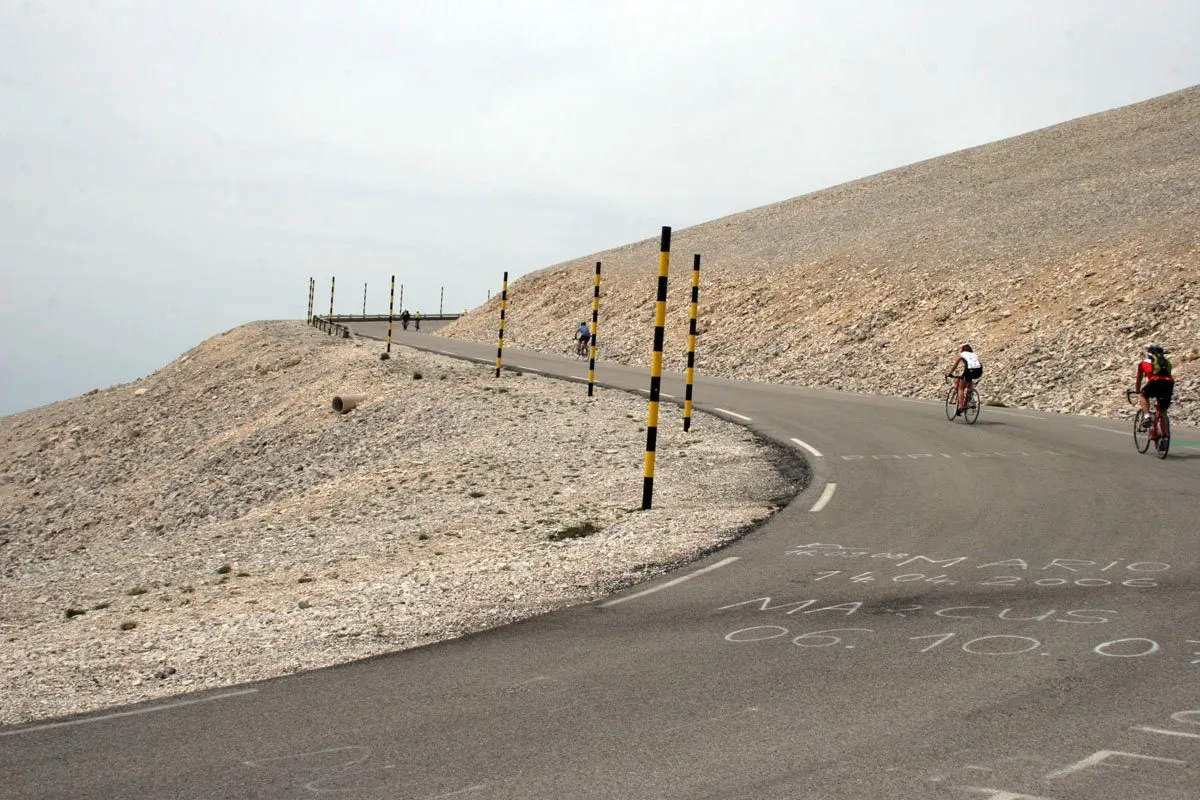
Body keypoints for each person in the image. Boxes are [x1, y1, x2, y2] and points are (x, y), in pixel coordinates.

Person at [1135, 345, 1174, 428]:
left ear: (1149, 354)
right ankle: (1164, 436)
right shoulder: (1166, 362)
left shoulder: (1144, 363)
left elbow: (1139, 379)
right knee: (1163, 411)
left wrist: (1137, 389)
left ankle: (1147, 416)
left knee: (1143, 395)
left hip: (1155, 382)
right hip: (1169, 383)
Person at [949, 344, 983, 416]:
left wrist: (950, 373)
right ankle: (970, 396)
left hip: (969, 370)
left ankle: (961, 406)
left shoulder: (962, 354)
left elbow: (955, 365)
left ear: (962, 350)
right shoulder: (974, 354)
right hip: (979, 371)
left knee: (961, 388)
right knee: (969, 380)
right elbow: (978, 364)